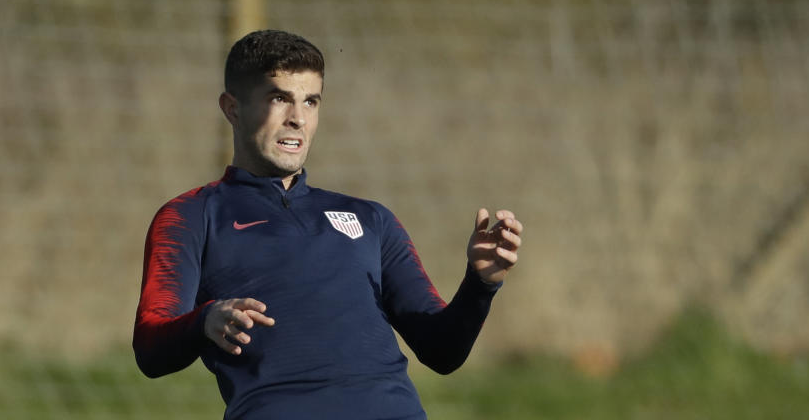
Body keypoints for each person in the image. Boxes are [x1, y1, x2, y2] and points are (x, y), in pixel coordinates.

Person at [133, 29, 523, 420]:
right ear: (232, 108)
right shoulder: (191, 216)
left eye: (311, 101)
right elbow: (151, 345)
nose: (298, 119)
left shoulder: (371, 219)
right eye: (279, 99)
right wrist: (205, 320)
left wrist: (481, 284)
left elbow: (442, 350)